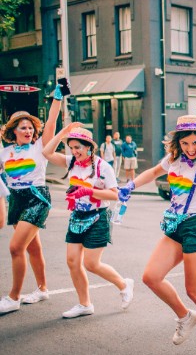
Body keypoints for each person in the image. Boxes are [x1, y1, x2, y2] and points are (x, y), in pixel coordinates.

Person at [117, 105, 196, 355]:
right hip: (175, 226)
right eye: (185, 143)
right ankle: (185, 316)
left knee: (194, 289)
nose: (190, 148)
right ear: (178, 143)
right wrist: (131, 184)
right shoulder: (173, 160)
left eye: (195, 142)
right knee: (151, 276)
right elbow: (153, 172)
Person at [42, 124, 134, 318]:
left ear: (89, 147)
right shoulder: (70, 162)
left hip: (98, 217)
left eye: (78, 148)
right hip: (77, 216)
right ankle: (85, 304)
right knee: (73, 261)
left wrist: (89, 191)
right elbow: (47, 152)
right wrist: (62, 133)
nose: (75, 152)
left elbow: (114, 195)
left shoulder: (103, 167)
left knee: (92, 264)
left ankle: (124, 284)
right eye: (72, 147)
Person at [0, 84, 65, 314]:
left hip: (36, 198)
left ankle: (13, 297)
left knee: (16, 247)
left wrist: (57, 98)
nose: (28, 131)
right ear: (13, 131)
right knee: (33, 248)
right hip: (16, 200)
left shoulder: (39, 147)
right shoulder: (4, 152)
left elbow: (51, 124)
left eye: (30, 127)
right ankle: (42, 288)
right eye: (23, 128)